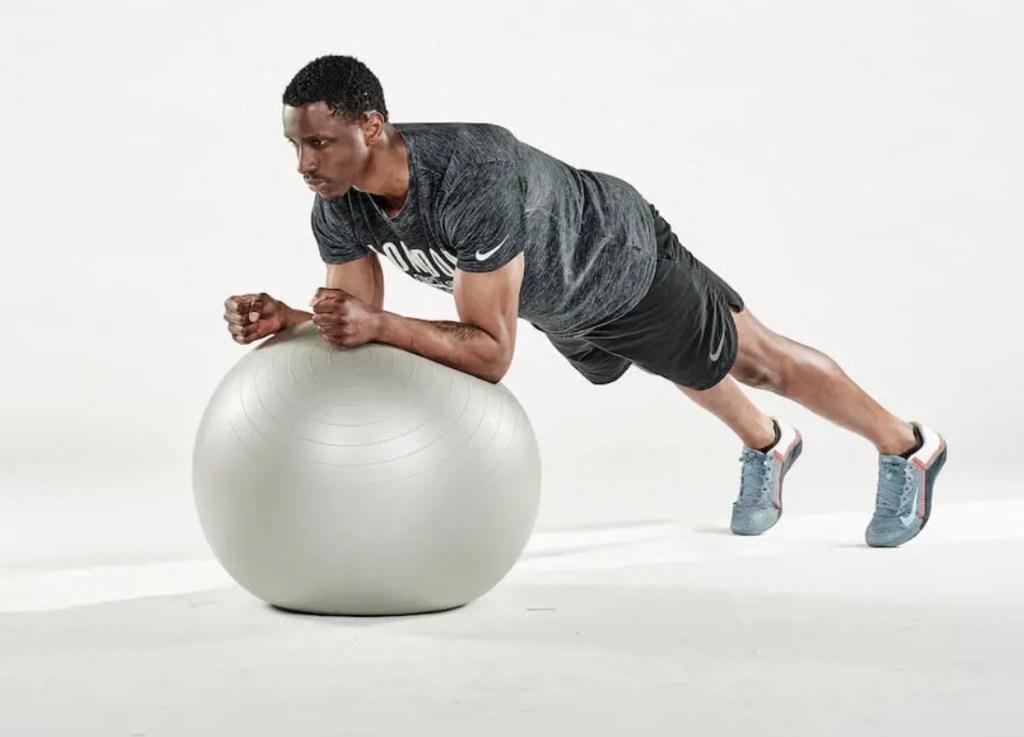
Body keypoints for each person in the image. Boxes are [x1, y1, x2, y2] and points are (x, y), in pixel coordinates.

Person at [223, 55, 947, 548]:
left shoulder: (471, 175)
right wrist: (294, 319)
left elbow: (490, 354)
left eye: (321, 143)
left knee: (752, 359)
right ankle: (773, 443)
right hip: (555, 302)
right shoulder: (340, 205)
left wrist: (376, 321)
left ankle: (908, 448)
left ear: (372, 125)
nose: (305, 165)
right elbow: (359, 328)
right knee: (680, 365)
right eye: (295, 146)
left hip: (620, 259)